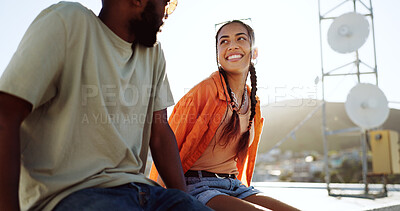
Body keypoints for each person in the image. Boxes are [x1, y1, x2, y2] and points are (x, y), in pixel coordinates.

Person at [0, 0, 211, 210]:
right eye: (167, 2)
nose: (168, 12)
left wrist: (185, 202)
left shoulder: (153, 53)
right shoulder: (68, 22)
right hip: (71, 195)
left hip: (142, 191)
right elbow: (6, 113)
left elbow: (160, 132)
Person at [150, 20, 300, 211]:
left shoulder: (254, 102)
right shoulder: (203, 92)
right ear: (218, 55)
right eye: (224, 41)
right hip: (197, 185)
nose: (232, 46)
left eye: (240, 39)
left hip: (234, 186)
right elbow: (167, 146)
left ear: (254, 52)